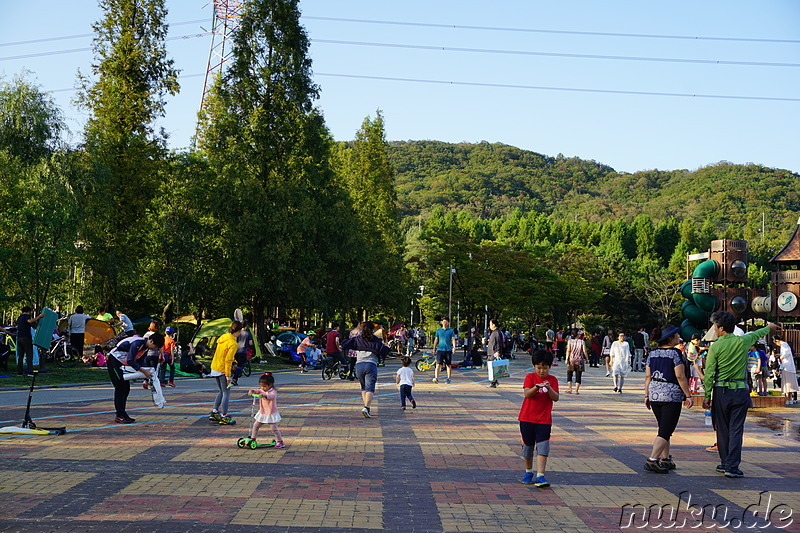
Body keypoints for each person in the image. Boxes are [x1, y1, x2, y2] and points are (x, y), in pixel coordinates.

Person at [702, 312, 777, 478]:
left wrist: (707, 396)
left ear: (721, 328)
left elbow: (709, 374)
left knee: (722, 428)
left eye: (715, 326)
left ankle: (724, 462)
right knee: (736, 429)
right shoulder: (743, 341)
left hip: (721, 391)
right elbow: (758, 333)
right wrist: (770, 327)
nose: (714, 329)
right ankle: (732, 466)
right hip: (741, 391)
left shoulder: (715, 346)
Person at [643, 325, 693, 474]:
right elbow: (680, 376)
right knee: (665, 430)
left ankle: (666, 459)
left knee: (664, 428)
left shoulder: (652, 354)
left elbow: (647, 376)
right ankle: (652, 459)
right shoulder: (675, 354)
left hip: (654, 394)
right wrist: (688, 395)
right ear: (670, 338)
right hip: (671, 395)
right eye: (676, 334)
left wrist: (646, 395)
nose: (679, 336)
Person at [518, 349, 559, 487]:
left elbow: (556, 398)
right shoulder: (530, 377)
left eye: (545, 368)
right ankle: (528, 471)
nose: (542, 371)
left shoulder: (552, 380)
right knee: (528, 447)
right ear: (534, 366)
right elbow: (527, 394)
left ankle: (541, 475)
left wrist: (549, 389)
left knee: (543, 446)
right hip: (527, 418)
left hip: (544, 420)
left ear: (549, 367)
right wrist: (536, 387)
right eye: (539, 368)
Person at [107, 333, 165, 423]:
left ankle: (122, 413)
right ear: (151, 341)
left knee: (126, 388)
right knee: (120, 388)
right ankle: (119, 414)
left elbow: (140, 362)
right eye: (155, 346)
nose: (155, 348)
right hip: (114, 361)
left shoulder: (145, 348)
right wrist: (144, 371)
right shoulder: (137, 343)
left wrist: (147, 374)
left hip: (122, 364)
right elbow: (130, 360)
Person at [341, 321, 390, 418]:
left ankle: (366, 408)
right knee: (370, 387)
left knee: (363, 387)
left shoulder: (357, 339)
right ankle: (366, 407)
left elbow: (345, 343)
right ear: (372, 330)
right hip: (371, 364)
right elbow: (384, 350)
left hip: (359, 365)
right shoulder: (375, 340)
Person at [209, 321, 242, 425]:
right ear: (239, 331)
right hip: (223, 369)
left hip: (215, 367)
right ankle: (224, 416)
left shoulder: (223, 337)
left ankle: (214, 412)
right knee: (226, 393)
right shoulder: (233, 343)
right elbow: (228, 360)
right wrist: (228, 376)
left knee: (221, 391)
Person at [247, 372, 285, 448]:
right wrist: (251, 391)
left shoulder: (273, 392)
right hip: (263, 412)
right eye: (261, 386)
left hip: (270, 413)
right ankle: (253, 438)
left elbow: (271, 396)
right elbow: (256, 391)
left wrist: (264, 395)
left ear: (270, 385)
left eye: (264, 386)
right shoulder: (261, 390)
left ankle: (280, 441)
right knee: (255, 425)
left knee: (274, 428)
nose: (262, 388)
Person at [15, 306, 46, 374]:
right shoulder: (26, 316)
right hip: (26, 337)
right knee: (29, 355)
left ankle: (19, 371)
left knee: (21, 355)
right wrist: (39, 316)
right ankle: (30, 371)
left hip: (19, 337)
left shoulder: (19, 317)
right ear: (28, 311)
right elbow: (30, 321)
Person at [774, 335, 798, 405]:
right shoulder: (785, 344)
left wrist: (781, 357)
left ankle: (788, 399)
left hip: (787, 367)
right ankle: (789, 399)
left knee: (787, 384)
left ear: (777, 341)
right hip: (788, 367)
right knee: (789, 384)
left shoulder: (784, 344)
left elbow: (786, 353)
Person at [433, 318, 457, 384]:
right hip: (440, 350)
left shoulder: (451, 331)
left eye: (446, 322)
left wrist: (454, 347)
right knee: (438, 364)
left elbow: (453, 339)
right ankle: (436, 377)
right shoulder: (438, 331)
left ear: (448, 323)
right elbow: (436, 340)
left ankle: (448, 378)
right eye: (444, 322)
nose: (445, 323)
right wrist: (434, 348)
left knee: (448, 365)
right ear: (441, 322)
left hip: (448, 350)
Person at [232, 321, 254, 386]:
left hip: (236, 350)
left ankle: (235, 369)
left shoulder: (237, 333)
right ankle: (235, 379)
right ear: (246, 326)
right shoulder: (248, 333)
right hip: (243, 351)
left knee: (237, 362)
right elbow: (250, 343)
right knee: (240, 365)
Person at [487, 319, 504, 388]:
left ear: (494, 324)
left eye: (490, 324)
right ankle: (494, 381)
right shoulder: (494, 332)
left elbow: (498, 343)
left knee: (493, 367)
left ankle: (493, 382)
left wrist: (497, 351)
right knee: (492, 367)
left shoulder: (497, 332)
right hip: (491, 352)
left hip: (494, 353)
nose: (490, 326)